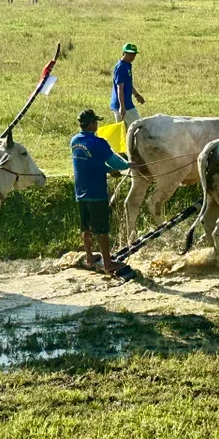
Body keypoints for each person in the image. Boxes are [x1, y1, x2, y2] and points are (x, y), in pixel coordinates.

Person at [71, 109, 132, 275]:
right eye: (96, 122)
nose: (97, 124)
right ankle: (108, 264)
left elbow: (91, 163)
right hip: (96, 192)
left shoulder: (74, 141)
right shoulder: (99, 143)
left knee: (86, 228)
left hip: (80, 191)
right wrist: (129, 164)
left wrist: (108, 170)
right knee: (102, 231)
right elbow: (115, 162)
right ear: (91, 124)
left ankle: (89, 258)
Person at [111, 43, 144, 125]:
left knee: (123, 129)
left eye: (134, 54)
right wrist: (122, 106)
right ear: (124, 53)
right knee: (139, 126)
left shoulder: (127, 65)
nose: (132, 57)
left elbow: (128, 84)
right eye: (130, 54)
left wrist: (137, 95)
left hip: (122, 103)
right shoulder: (121, 67)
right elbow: (120, 88)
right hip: (124, 104)